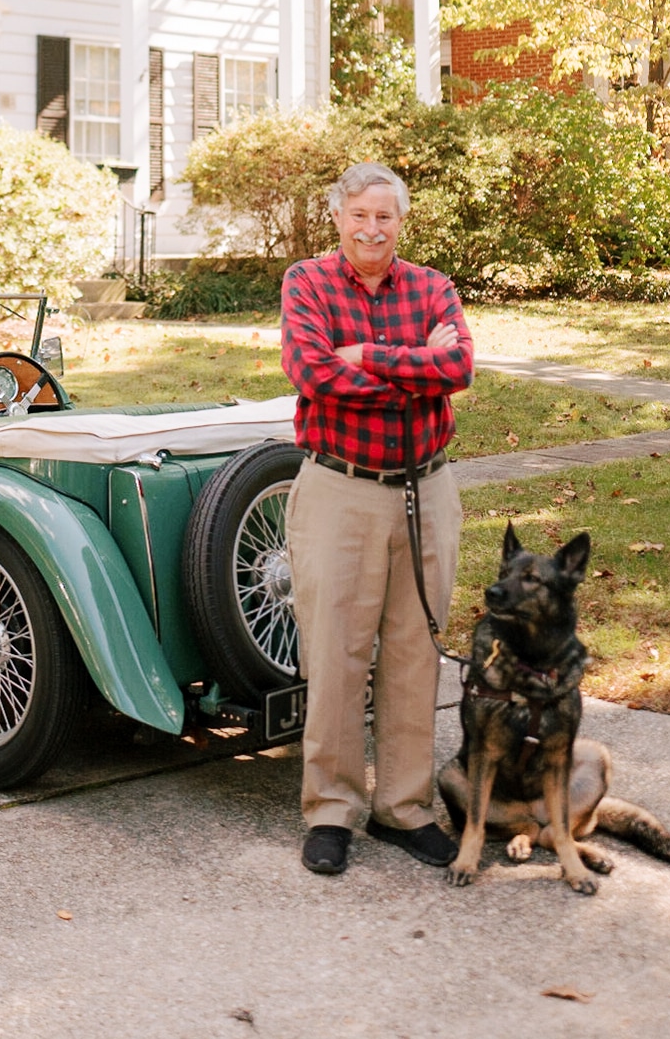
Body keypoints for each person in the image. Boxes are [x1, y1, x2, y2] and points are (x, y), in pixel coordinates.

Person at [280, 161, 473, 877]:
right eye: (359, 215)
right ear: (338, 217)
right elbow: (310, 371)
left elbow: (458, 367)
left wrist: (369, 357)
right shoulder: (307, 281)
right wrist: (412, 370)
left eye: (384, 216)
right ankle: (330, 809)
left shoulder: (431, 285)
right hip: (341, 489)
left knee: (413, 650)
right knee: (335, 651)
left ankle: (404, 808)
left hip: (428, 488)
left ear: (401, 220)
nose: (371, 228)